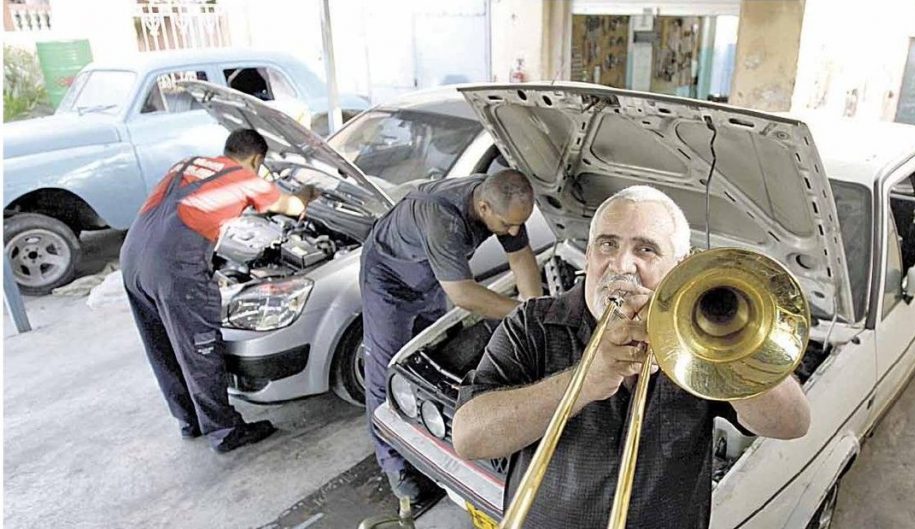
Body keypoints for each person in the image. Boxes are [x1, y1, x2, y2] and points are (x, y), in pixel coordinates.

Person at [451, 186, 812, 528]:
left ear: (680, 266)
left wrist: (723, 340)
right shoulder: (533, 324)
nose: (622, 265)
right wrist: (584, 381)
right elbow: (469, 439)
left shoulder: (700, 340)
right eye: (608, 244)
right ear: (590, 254)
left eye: (647, 250)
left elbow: (793, 423)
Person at [120, 129, 316, 453]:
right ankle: (224, 431)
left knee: (162, 346)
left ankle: (189, 420)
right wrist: (311, 192)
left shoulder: (190, 163)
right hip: (174, 267)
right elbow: (292, 206)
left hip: (132, 257)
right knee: (200, 349)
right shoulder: (244, 178)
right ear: (256, 160)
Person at [360, 169, 544, 504]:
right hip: (388, 280)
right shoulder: (443, 218)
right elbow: (464, 295)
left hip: (430, 273)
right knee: (388, 369)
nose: (514, 231)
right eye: (508, 225)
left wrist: (534, 310)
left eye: (520, 223)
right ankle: (396, 468)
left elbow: (520, 257)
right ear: (485, 208)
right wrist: (520, 313)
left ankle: (430, 431)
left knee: (428, 357)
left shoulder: (502, 204)